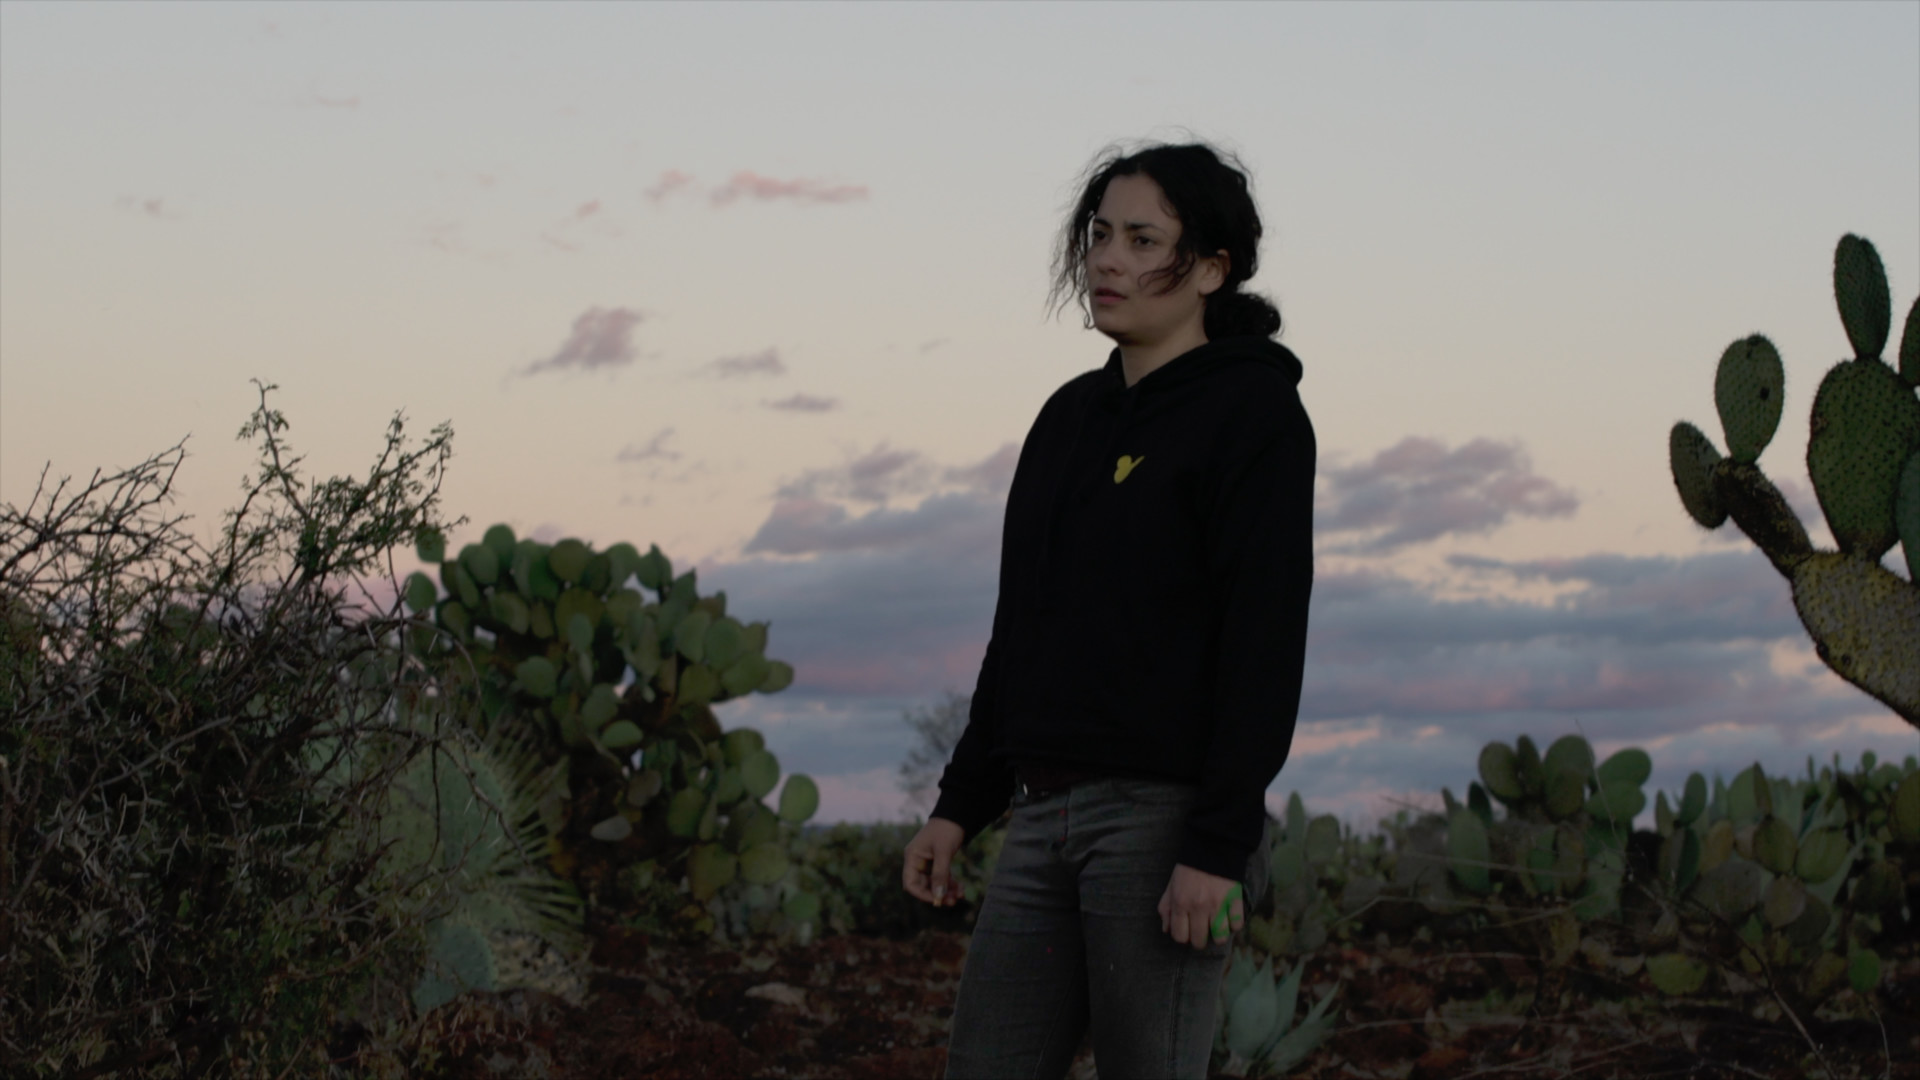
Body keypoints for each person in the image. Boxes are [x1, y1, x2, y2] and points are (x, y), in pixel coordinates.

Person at [900, 140, 1317, 1079]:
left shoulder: (1253, 415)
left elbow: (1263, 639)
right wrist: (959, 806)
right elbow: (1021, 632)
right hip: (1039, 814)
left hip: (1161, 825)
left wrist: (1217, 846)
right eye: (1099, 236)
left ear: (1212, 268)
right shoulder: (1067, 421)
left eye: (1143, 239)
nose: (1108, 260)